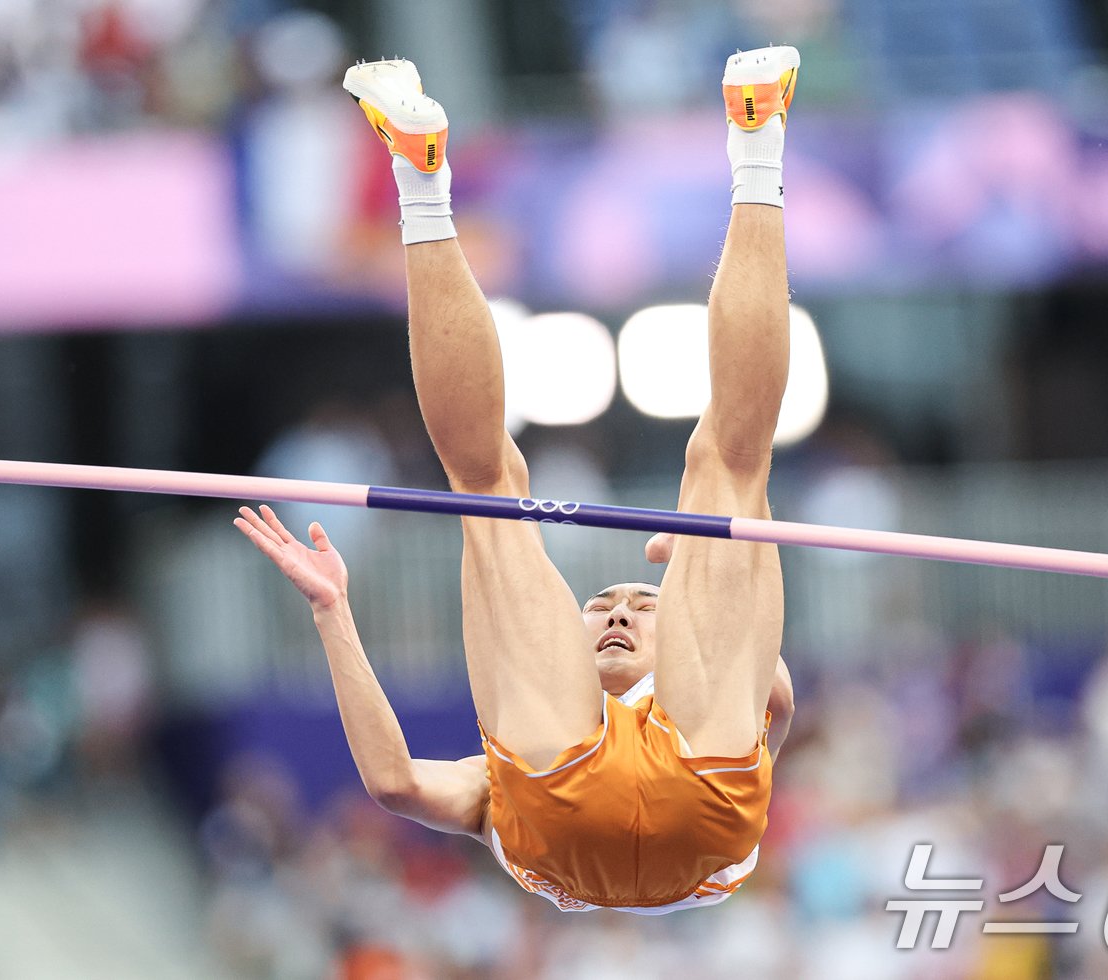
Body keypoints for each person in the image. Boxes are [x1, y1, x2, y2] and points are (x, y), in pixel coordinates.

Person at [234, 45, 800, 914]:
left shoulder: (484, 784)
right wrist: (688, 577)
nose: (617, 609)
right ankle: (756, 142)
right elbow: (774, 688)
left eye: (633, 608)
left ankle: (423, 185)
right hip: (705, 795)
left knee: (488, 490)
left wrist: (333, 614)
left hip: (565, 798)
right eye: (615, 604)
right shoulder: (731, 705)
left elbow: (393, 783)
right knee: (727, 468)